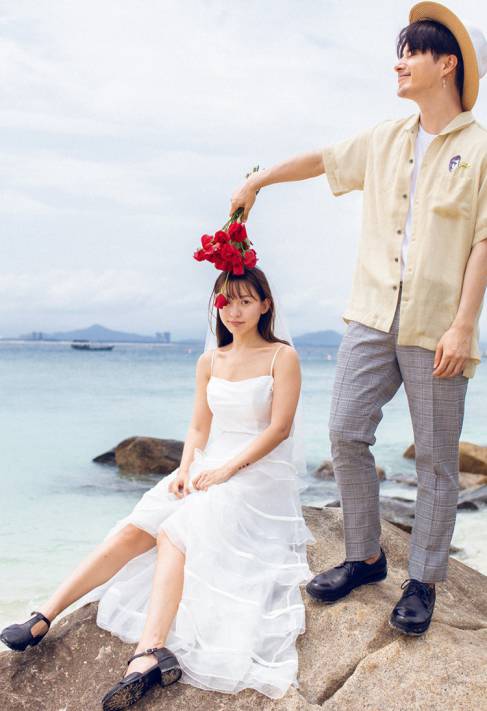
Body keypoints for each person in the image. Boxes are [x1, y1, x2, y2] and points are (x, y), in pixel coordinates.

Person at [229, 2, 487, 637]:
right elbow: (322, 160)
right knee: (345, 431)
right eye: (399, 51)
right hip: (371, 314)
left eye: (411, 51)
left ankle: (422, 581)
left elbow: (484, 241)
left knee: (435, 460)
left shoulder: (480, 149)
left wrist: (463, 325)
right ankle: (365, 557)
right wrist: (258, 181)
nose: (398, 62)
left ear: (446, 64)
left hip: (437, 325)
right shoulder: (385, 138)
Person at [0, 266, 316, 710]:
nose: (234, 311)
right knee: (135, 528)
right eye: (226, 301)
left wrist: (226, 471)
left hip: (256, 474)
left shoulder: (282, 357)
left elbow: (279, 429)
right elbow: (198, 427)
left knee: (173, 533)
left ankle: (149, 651)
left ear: (265, 305)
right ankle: (43, 616)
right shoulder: (210, 361)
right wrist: (185, 469)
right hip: (207, 465)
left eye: (246, 301)